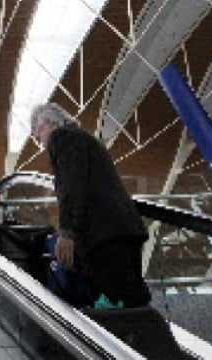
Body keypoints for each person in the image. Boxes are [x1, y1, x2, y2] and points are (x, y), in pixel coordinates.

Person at [29, 102, 150, 308]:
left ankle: (129, 339)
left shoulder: (62, 138)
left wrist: (67, 233)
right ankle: (146, 338)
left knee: (119, 301)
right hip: (122, 229)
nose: (39, 142)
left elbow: (72, 187)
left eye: (36, 134)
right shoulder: (85, 139)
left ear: (46, 125)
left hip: (104, 235)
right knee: (132, 298)